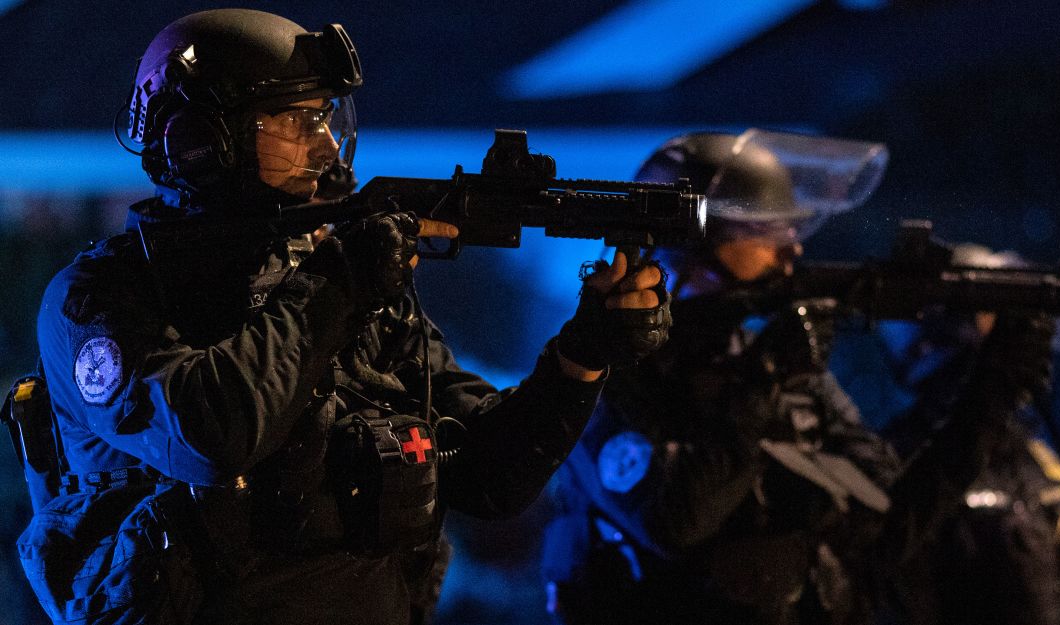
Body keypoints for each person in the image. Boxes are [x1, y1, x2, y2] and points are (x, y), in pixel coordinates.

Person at [19, 9, 670, 625]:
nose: (327, 144)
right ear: (202, 140)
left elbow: (487, 476)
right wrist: (338, 283)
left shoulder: (329, 275)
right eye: (297, 120)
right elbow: (209, 433)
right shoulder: (102, 297)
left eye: (326, 117)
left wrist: (582, 354)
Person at [541, 130, 901, 624]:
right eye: (768, 230)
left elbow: (885, 500)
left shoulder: (754, 355)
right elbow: (675, 521)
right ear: (693, 240)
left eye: (792, 230)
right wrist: (762, 383)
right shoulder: (607, 370)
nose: (790, 252)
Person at [831, 244, 1060, 625]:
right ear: (957, 327)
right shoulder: (911, 458)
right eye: (996, 315)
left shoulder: (1029, 451)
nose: (1023, 334)